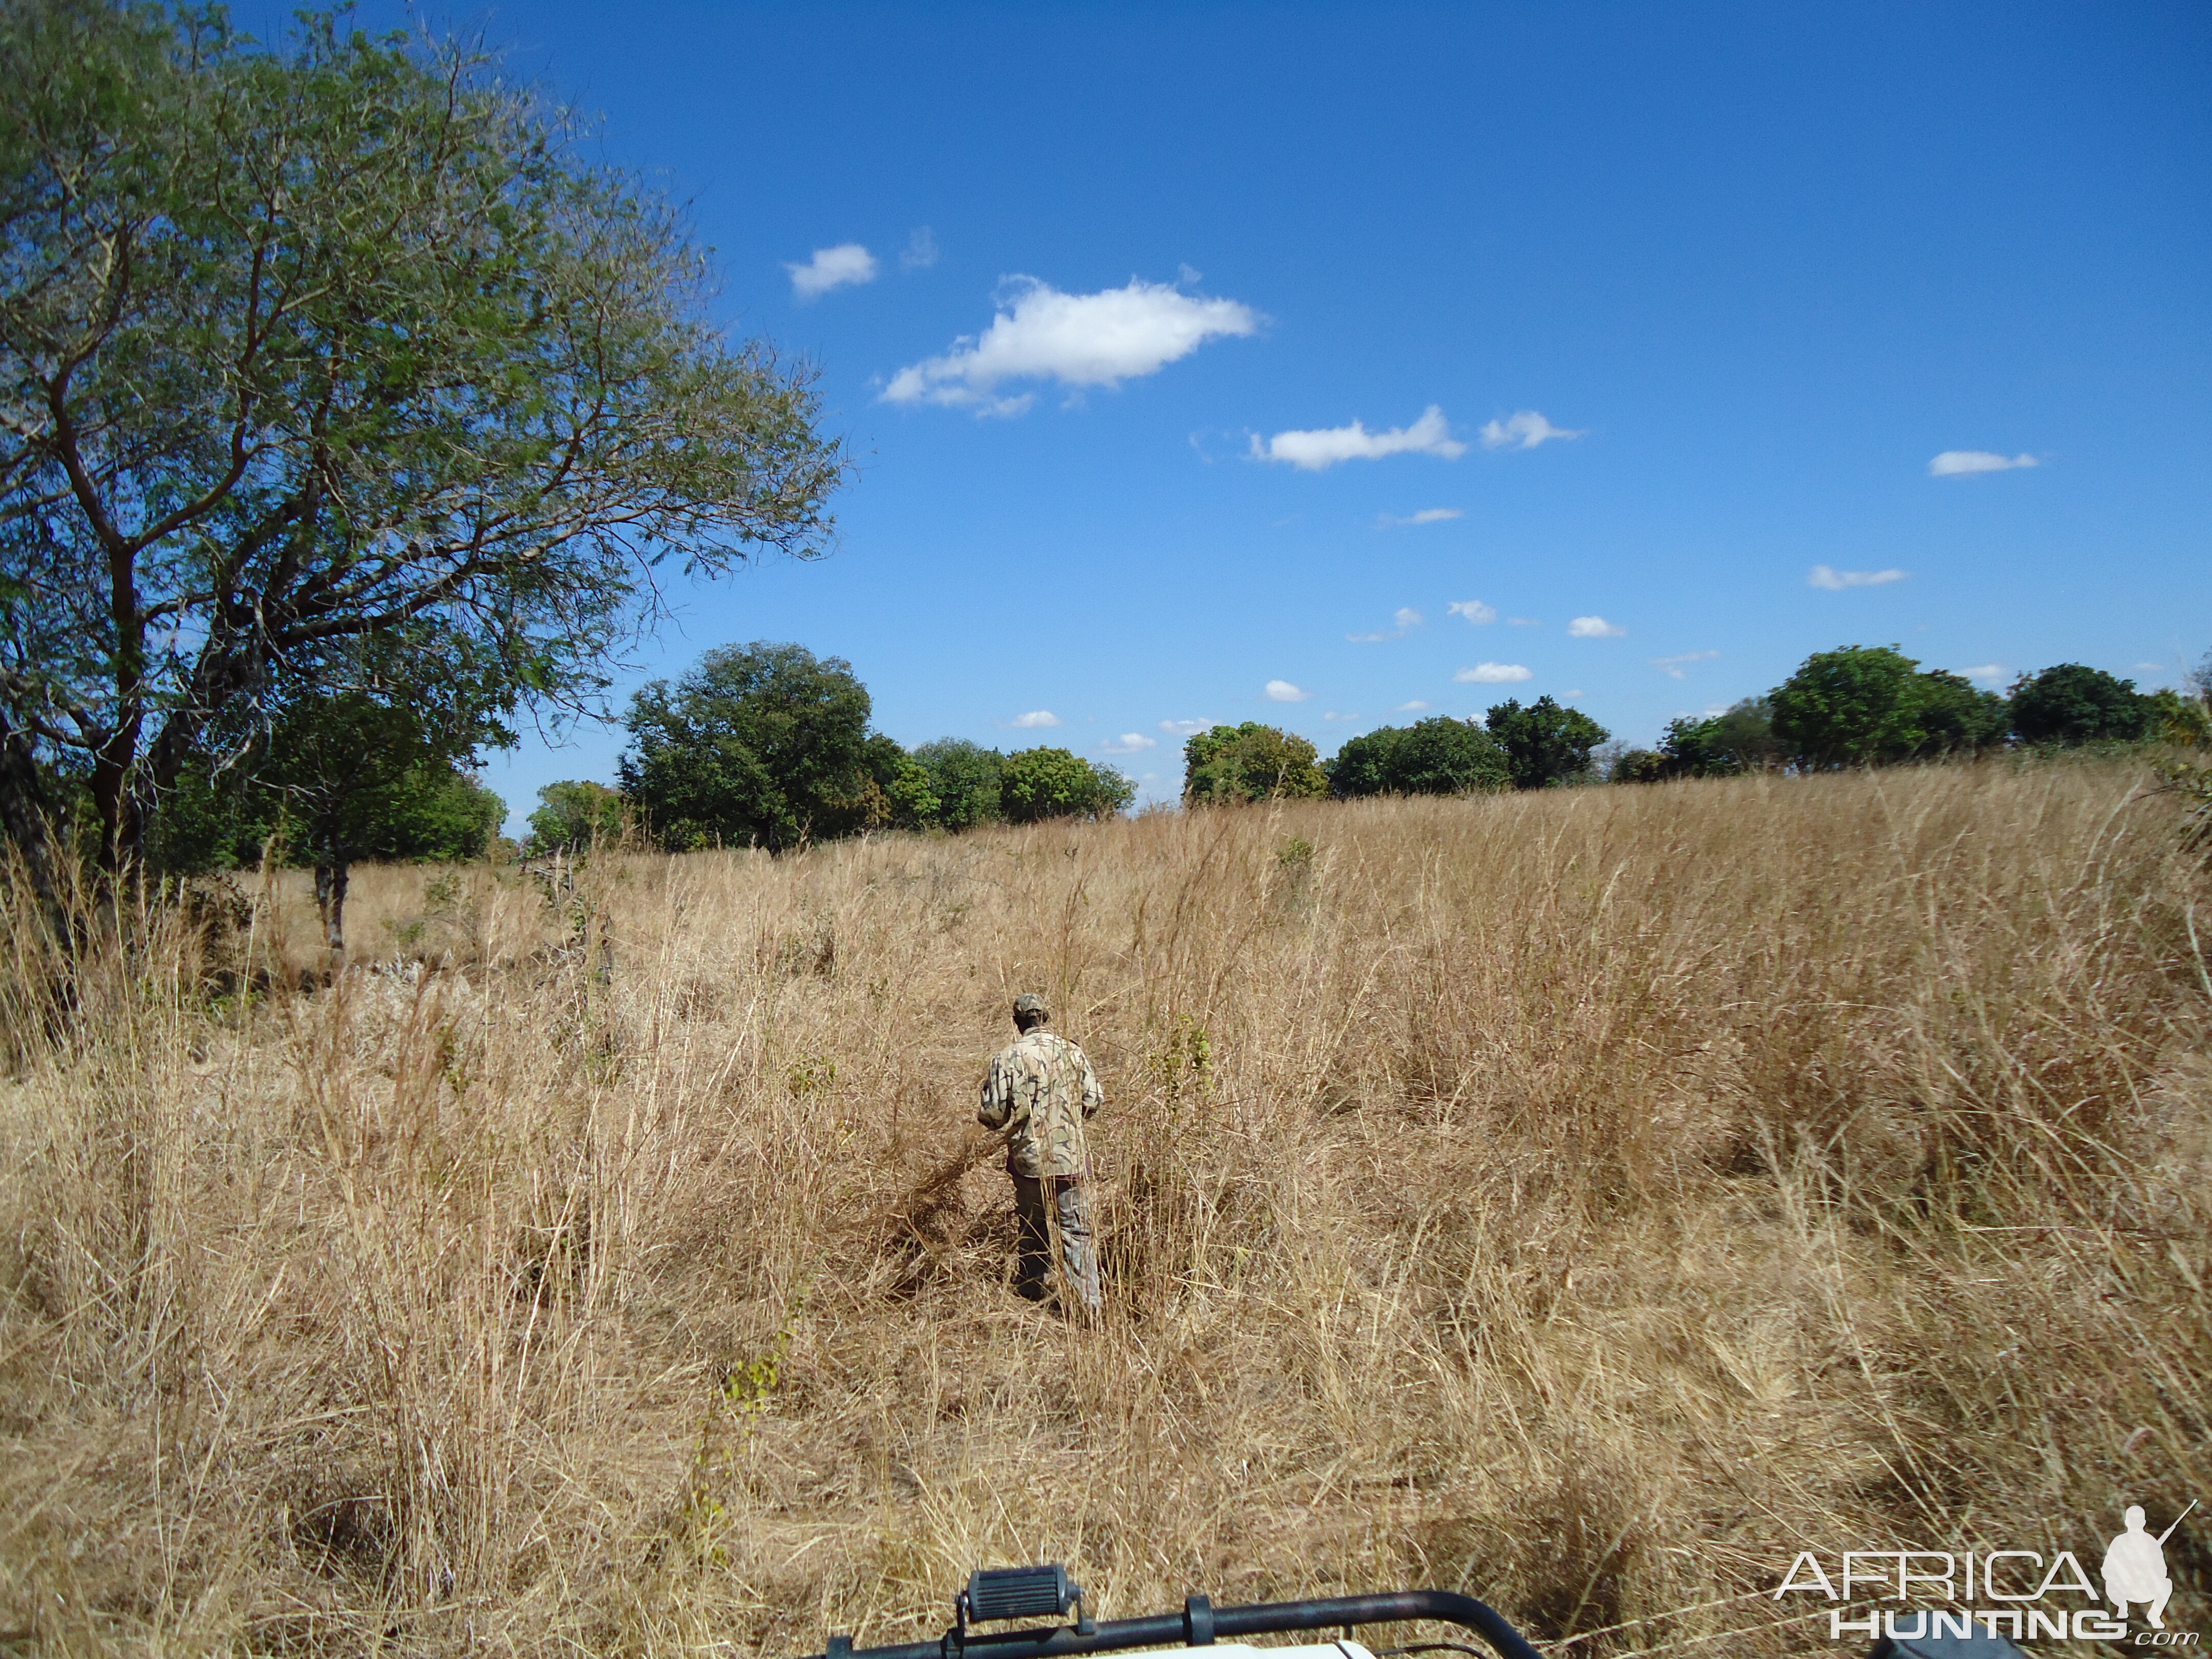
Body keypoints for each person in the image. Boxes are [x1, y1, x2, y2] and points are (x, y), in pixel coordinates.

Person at [977, 992, 1103, 1314]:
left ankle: (1033, 1289)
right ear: (1045, 1017)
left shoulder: (1007, 1057)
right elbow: (1093, 1102)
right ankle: (1088, 1307)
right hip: (1071, 1160)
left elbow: (993, 1115)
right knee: (1076, 1231)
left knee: (1033, 1224)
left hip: (1028, 1161)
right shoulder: (1073, 1052)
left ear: (1017, 1022)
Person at [2102, 1505, 2175, 1627]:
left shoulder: (2151, 1542)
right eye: (2133, 1520)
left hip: (2146, 1589)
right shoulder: (2119, 1542)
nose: (2136, 1523)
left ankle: (2155, 1616)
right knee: (2110, 1584)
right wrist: (2124, 1574)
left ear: (2144, 1522)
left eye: (2139, 1520)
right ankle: (2122, 1607)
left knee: (2167, 1584)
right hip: (2124, 1589)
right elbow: (2107, 1569)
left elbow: (2163, 1571)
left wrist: (2148, 1571)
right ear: (2127, 1522)